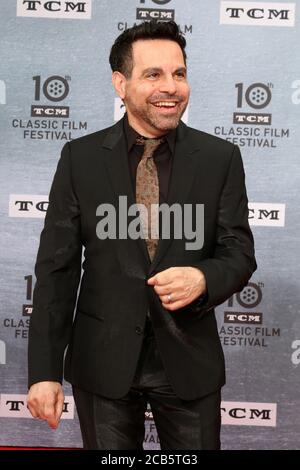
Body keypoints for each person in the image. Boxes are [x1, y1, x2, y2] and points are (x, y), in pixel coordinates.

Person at [27, 20, 256, 450]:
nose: (171, 87)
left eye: (179, 73)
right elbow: (56, 271)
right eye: (154, 74)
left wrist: (204, 279)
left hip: (189, 362)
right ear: (121, 83)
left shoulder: (220, 158)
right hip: (102, 361)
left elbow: (239, 252)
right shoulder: (80, 159)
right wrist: (43, 371)